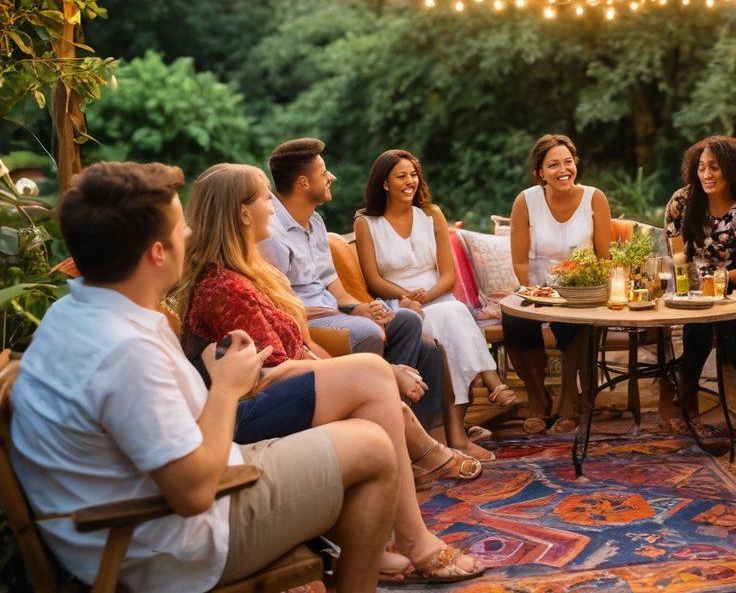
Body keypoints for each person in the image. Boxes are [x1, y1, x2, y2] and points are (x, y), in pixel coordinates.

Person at [10, 162, 397, 592]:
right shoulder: (124, 351)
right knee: (374, 448)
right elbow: (194, 493)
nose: (190, 235)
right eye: (180, 227)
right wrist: (227, 388)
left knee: (354, 420)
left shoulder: (78, 313)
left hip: (146, 519)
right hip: (172, 546)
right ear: (158, 252)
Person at [174, 163, 484, 584]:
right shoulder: (223, 288)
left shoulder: (251, 272)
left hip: (272, 391)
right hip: (242, 412)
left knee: (373, 384)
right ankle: (415, 528)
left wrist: (357, 373)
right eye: (265, 198)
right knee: (373, 376)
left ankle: (389, 534)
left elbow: (298, 345)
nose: (273, 206)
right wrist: (368, 373)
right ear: (242, 213)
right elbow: (266, 371)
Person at [260, 139, 481, 457]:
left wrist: (359, 306)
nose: (331, 176)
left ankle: (416, 443)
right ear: (303, 182)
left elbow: (331, 285)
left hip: (334, 312)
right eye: (324, 172)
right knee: (368, 332)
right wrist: (352, 316)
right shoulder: (272, 233)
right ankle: (387, 437)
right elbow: (281, 302)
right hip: (310, 321)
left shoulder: (316, 222)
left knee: (412, 328)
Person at [355, 150, 516, 455]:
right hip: (399, 305)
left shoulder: (431, 214)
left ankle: (458, 432)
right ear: (385, 183)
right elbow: (373, 278)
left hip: (438, 296)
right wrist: (405, 297)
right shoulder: (367, 223)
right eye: (401, 176)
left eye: (413, 174)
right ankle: (489, 384)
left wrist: (427, 296)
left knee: (451, 313)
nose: (410, 181)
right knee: (454, 314)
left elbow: (448, 276)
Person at [662, 136, 736, 429]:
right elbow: (676, 257)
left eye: (715, 167)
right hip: (695, 291)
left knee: (727, 329)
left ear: (733, 169)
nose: (707, 175)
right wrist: (692, 288)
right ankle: (692, 397)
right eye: (701, 167)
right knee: (699, 321)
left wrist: (717, 281)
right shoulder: (682, 202)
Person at [506, 134, 612, 434]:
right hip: (537, 287)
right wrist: (533, 293)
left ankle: (569, 399)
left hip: (581, 288)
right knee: (514, 320)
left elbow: (604, 258)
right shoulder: (526, 201)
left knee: (575, 321)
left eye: (568, 162)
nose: (563, 169)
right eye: (553, 164)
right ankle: (538, 397)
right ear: (540, 172)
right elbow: (520, 261)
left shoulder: (595, 198)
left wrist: (587, 287)